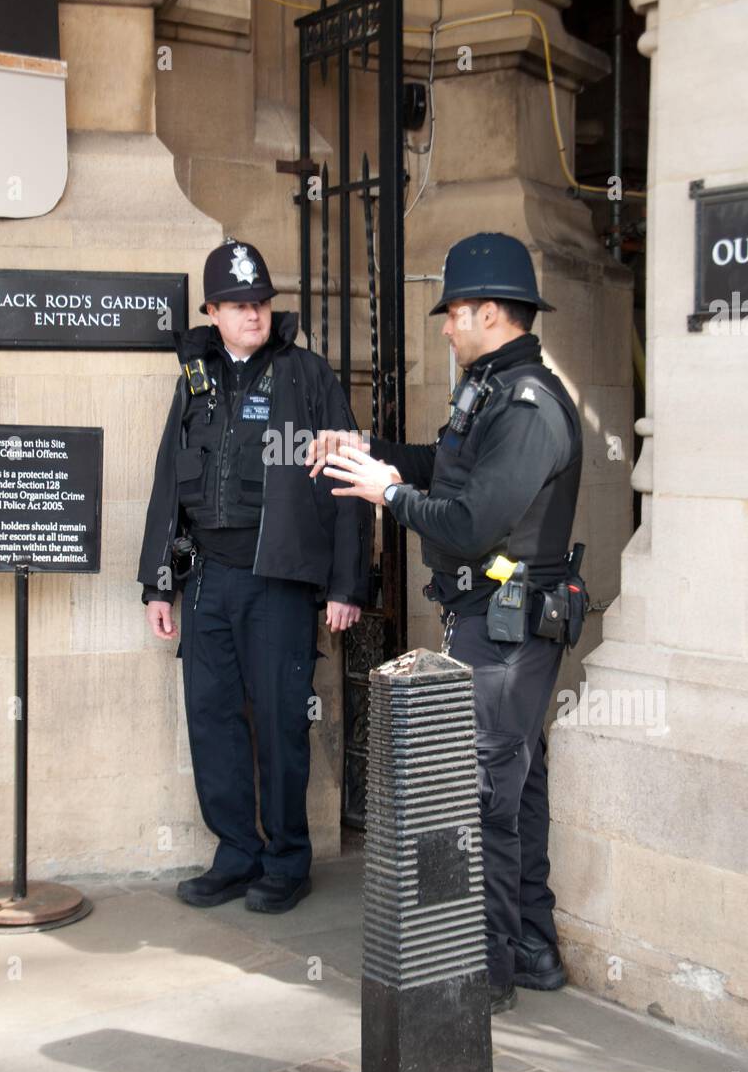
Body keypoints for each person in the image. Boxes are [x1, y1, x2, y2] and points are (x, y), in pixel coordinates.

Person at [309, 233, 584, 1012]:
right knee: (514, 790)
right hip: (492, 621)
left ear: (489, 313)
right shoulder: (492, 387)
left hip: (507, 629)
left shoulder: (527, 405)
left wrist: (383, 495)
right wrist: (370, 450)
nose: (443, 326)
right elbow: (447, 466)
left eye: (453, 312)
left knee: (485, 796)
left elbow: (466, 521)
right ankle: (531, 951)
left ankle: (486, 976)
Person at [138, 237, 371, 915]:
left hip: (279, 582)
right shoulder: (195, 377)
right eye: (238, 305)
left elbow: (350, 476)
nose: (252, 314)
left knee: (278, 725)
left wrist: (346, 586)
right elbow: (165, 480)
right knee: (211, 720)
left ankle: (286, 861)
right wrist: (158, 582)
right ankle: (235, 854)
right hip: (208, 579)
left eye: (261, 303)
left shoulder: (307, 376)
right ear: (212, 310)